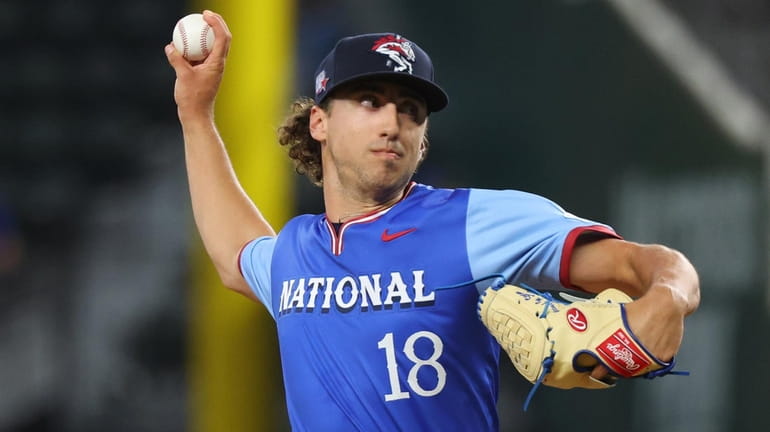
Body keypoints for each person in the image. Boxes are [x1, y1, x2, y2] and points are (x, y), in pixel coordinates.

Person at [165, 10, 700, 431]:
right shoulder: (296, 250)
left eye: (411, 110)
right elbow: (235, 258)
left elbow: (646, 265)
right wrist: (196, 113)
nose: (393, 122)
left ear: (423, 140)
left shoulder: (476, 222)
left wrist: (668, 297)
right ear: (320, 122)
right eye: (370, 101)